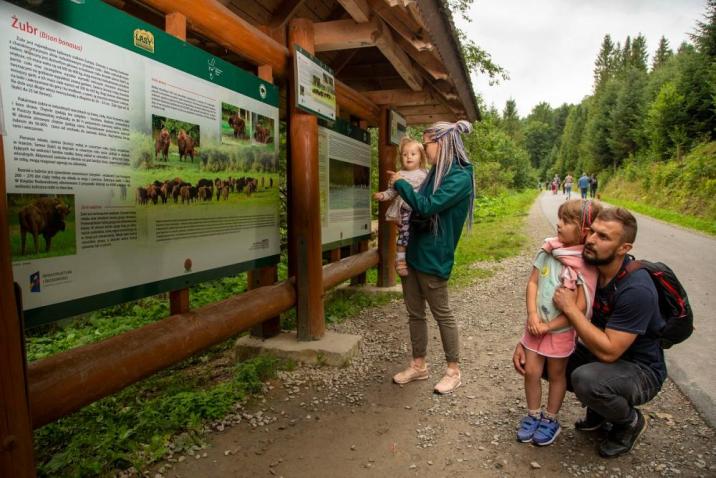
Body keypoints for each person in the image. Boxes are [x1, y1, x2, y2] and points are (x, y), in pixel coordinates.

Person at [513, 207, 665, 458]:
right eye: (592, 231)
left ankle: (628, 421)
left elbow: (609, 351)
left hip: (640, 369)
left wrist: (571, 309)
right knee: (540, 360)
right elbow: (543, 298)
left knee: (587, 379)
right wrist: (526, 341)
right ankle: (600, 409)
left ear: (623, 249)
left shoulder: (636, 289)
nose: (592, 239)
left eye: (603, 237)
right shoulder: (590, 272)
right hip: (603, 355)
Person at [388, 120, 475, 395]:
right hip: (414, 252)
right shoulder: (436, 171)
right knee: (415, 313)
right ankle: (419, 365)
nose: (425, 150)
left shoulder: (460, 177)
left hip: (434, 257)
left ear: (442, 142)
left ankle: (453, 371)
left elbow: (426, 207)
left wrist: (401, 184)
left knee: (442, 315)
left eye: (426, 144)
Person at [517, 199, 601, 446]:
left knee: (556, 374)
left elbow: (580, 308)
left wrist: (549, 326)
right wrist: (532, 314)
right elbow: (533, 283)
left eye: (566, 221)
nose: (559, 224)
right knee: (531, 371)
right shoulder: (548, 251)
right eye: (559, 219)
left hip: (560, 331)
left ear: (584, 230)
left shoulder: (585, 265)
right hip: (535, 326)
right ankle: (533, 415)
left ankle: (550, 419)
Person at [373, 137, 429, 276]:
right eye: (405, 154)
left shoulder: (426, 174)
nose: (408, 157)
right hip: (405, 210)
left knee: (418, 236)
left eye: (413, 154)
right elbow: (392, 192)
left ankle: (417, 259)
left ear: (421, 156)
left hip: (420, 211)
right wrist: (383, 196)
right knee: (404, 235)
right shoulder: (399, 175)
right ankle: (400, 261)